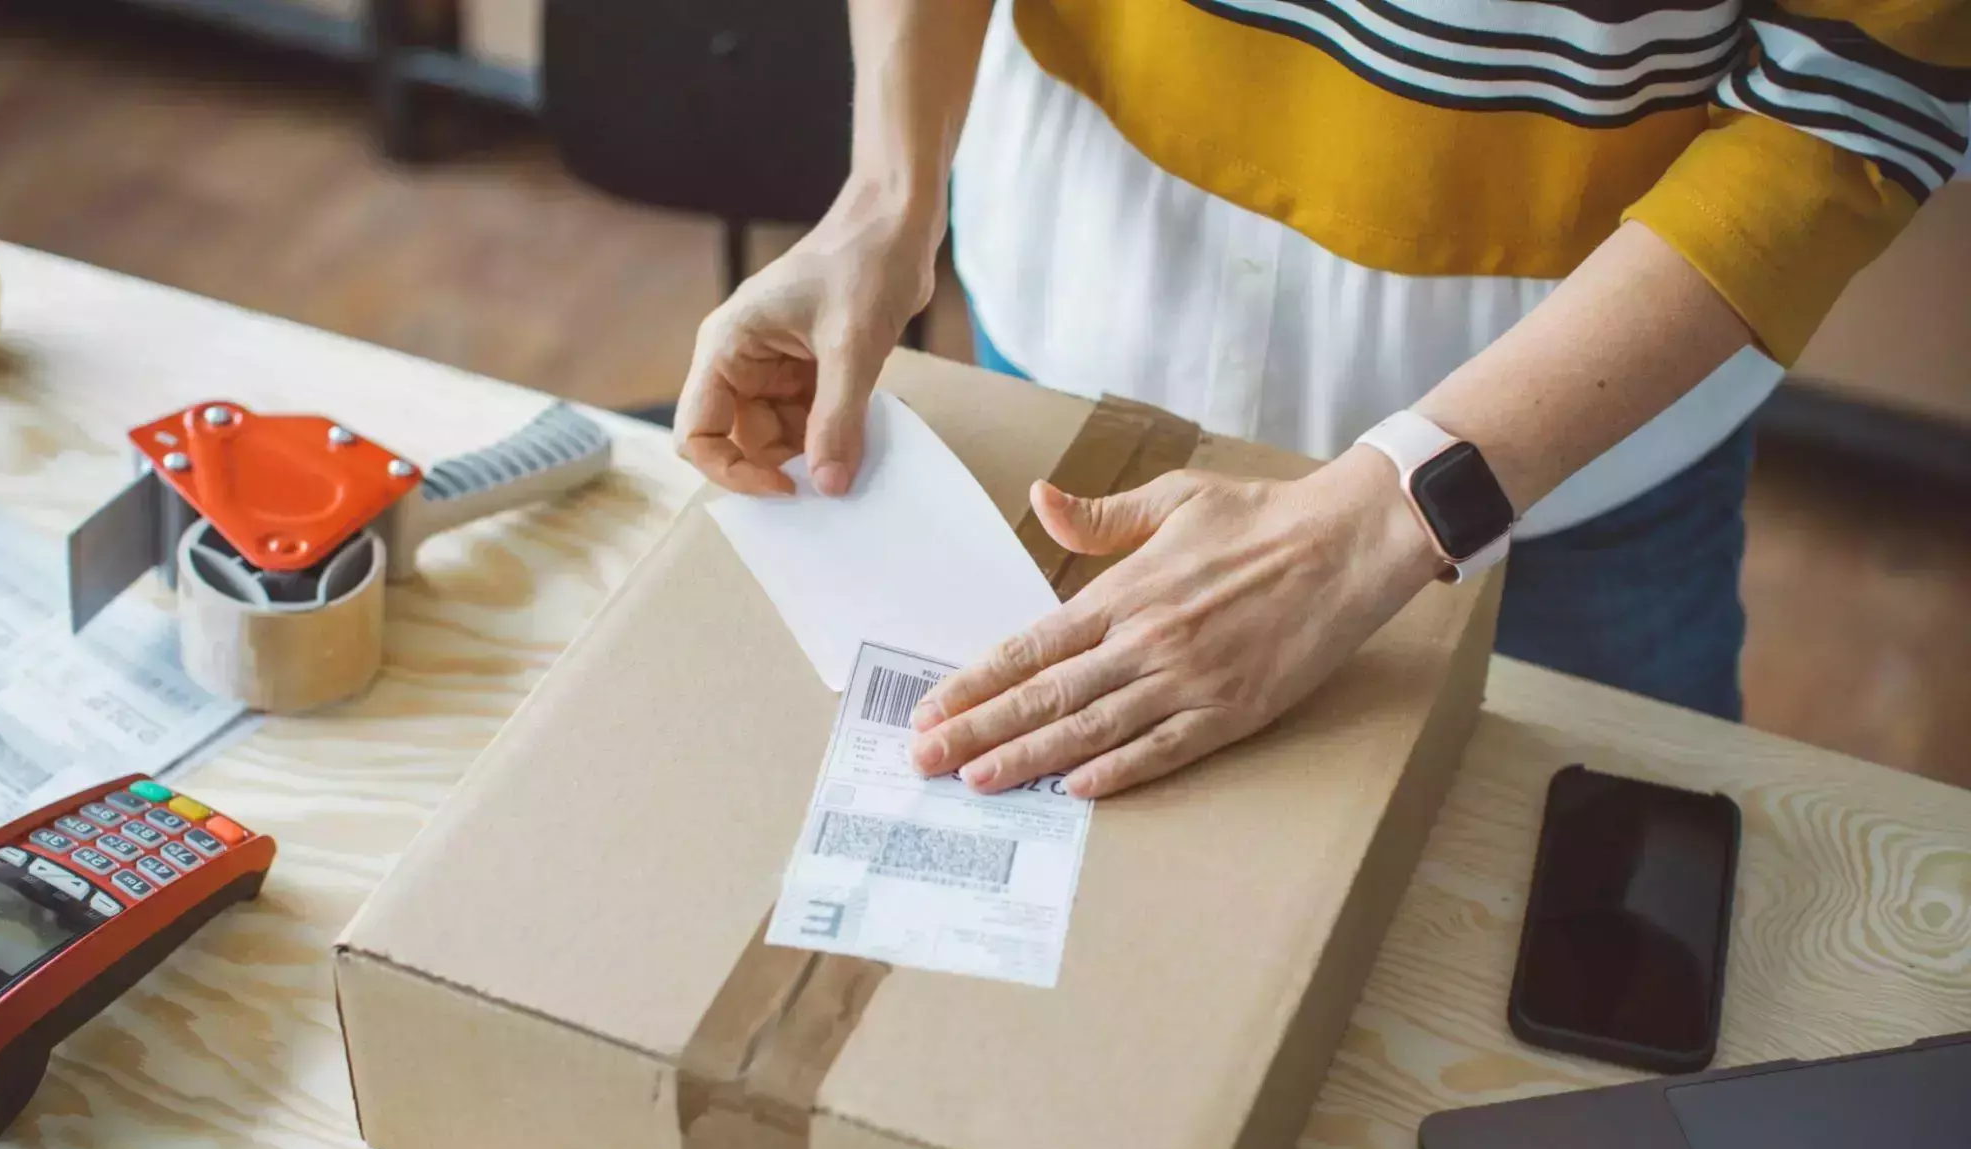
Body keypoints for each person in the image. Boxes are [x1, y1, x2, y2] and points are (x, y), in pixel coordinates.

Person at [675, 1, 1967, 799]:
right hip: (1072, 321)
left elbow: (1858, 89)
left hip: (1570, 458)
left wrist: (1399, 501)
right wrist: (888, 199)